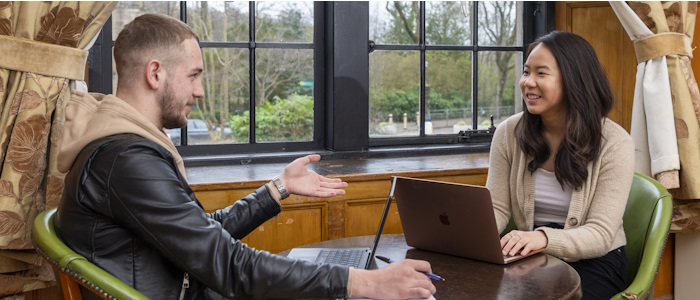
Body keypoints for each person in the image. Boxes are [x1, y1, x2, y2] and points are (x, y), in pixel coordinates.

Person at [54, 13, 436, 299]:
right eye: (193, 75)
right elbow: (225, 261)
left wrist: (278, 188)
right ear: (155, 73)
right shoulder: (126, 160)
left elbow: (202, 235)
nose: (200, 91)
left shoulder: (122, 146)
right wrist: (366, 282)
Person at [486, 31, 634, 299]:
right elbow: (496, 207)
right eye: (526, 72)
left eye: (541, 74)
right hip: (535, 256)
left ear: (574, 80)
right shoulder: (508, 133)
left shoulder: (614, 142)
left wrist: (542, 239)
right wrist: (470, 237)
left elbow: (600, 235)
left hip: (596, 261)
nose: (528, 82)